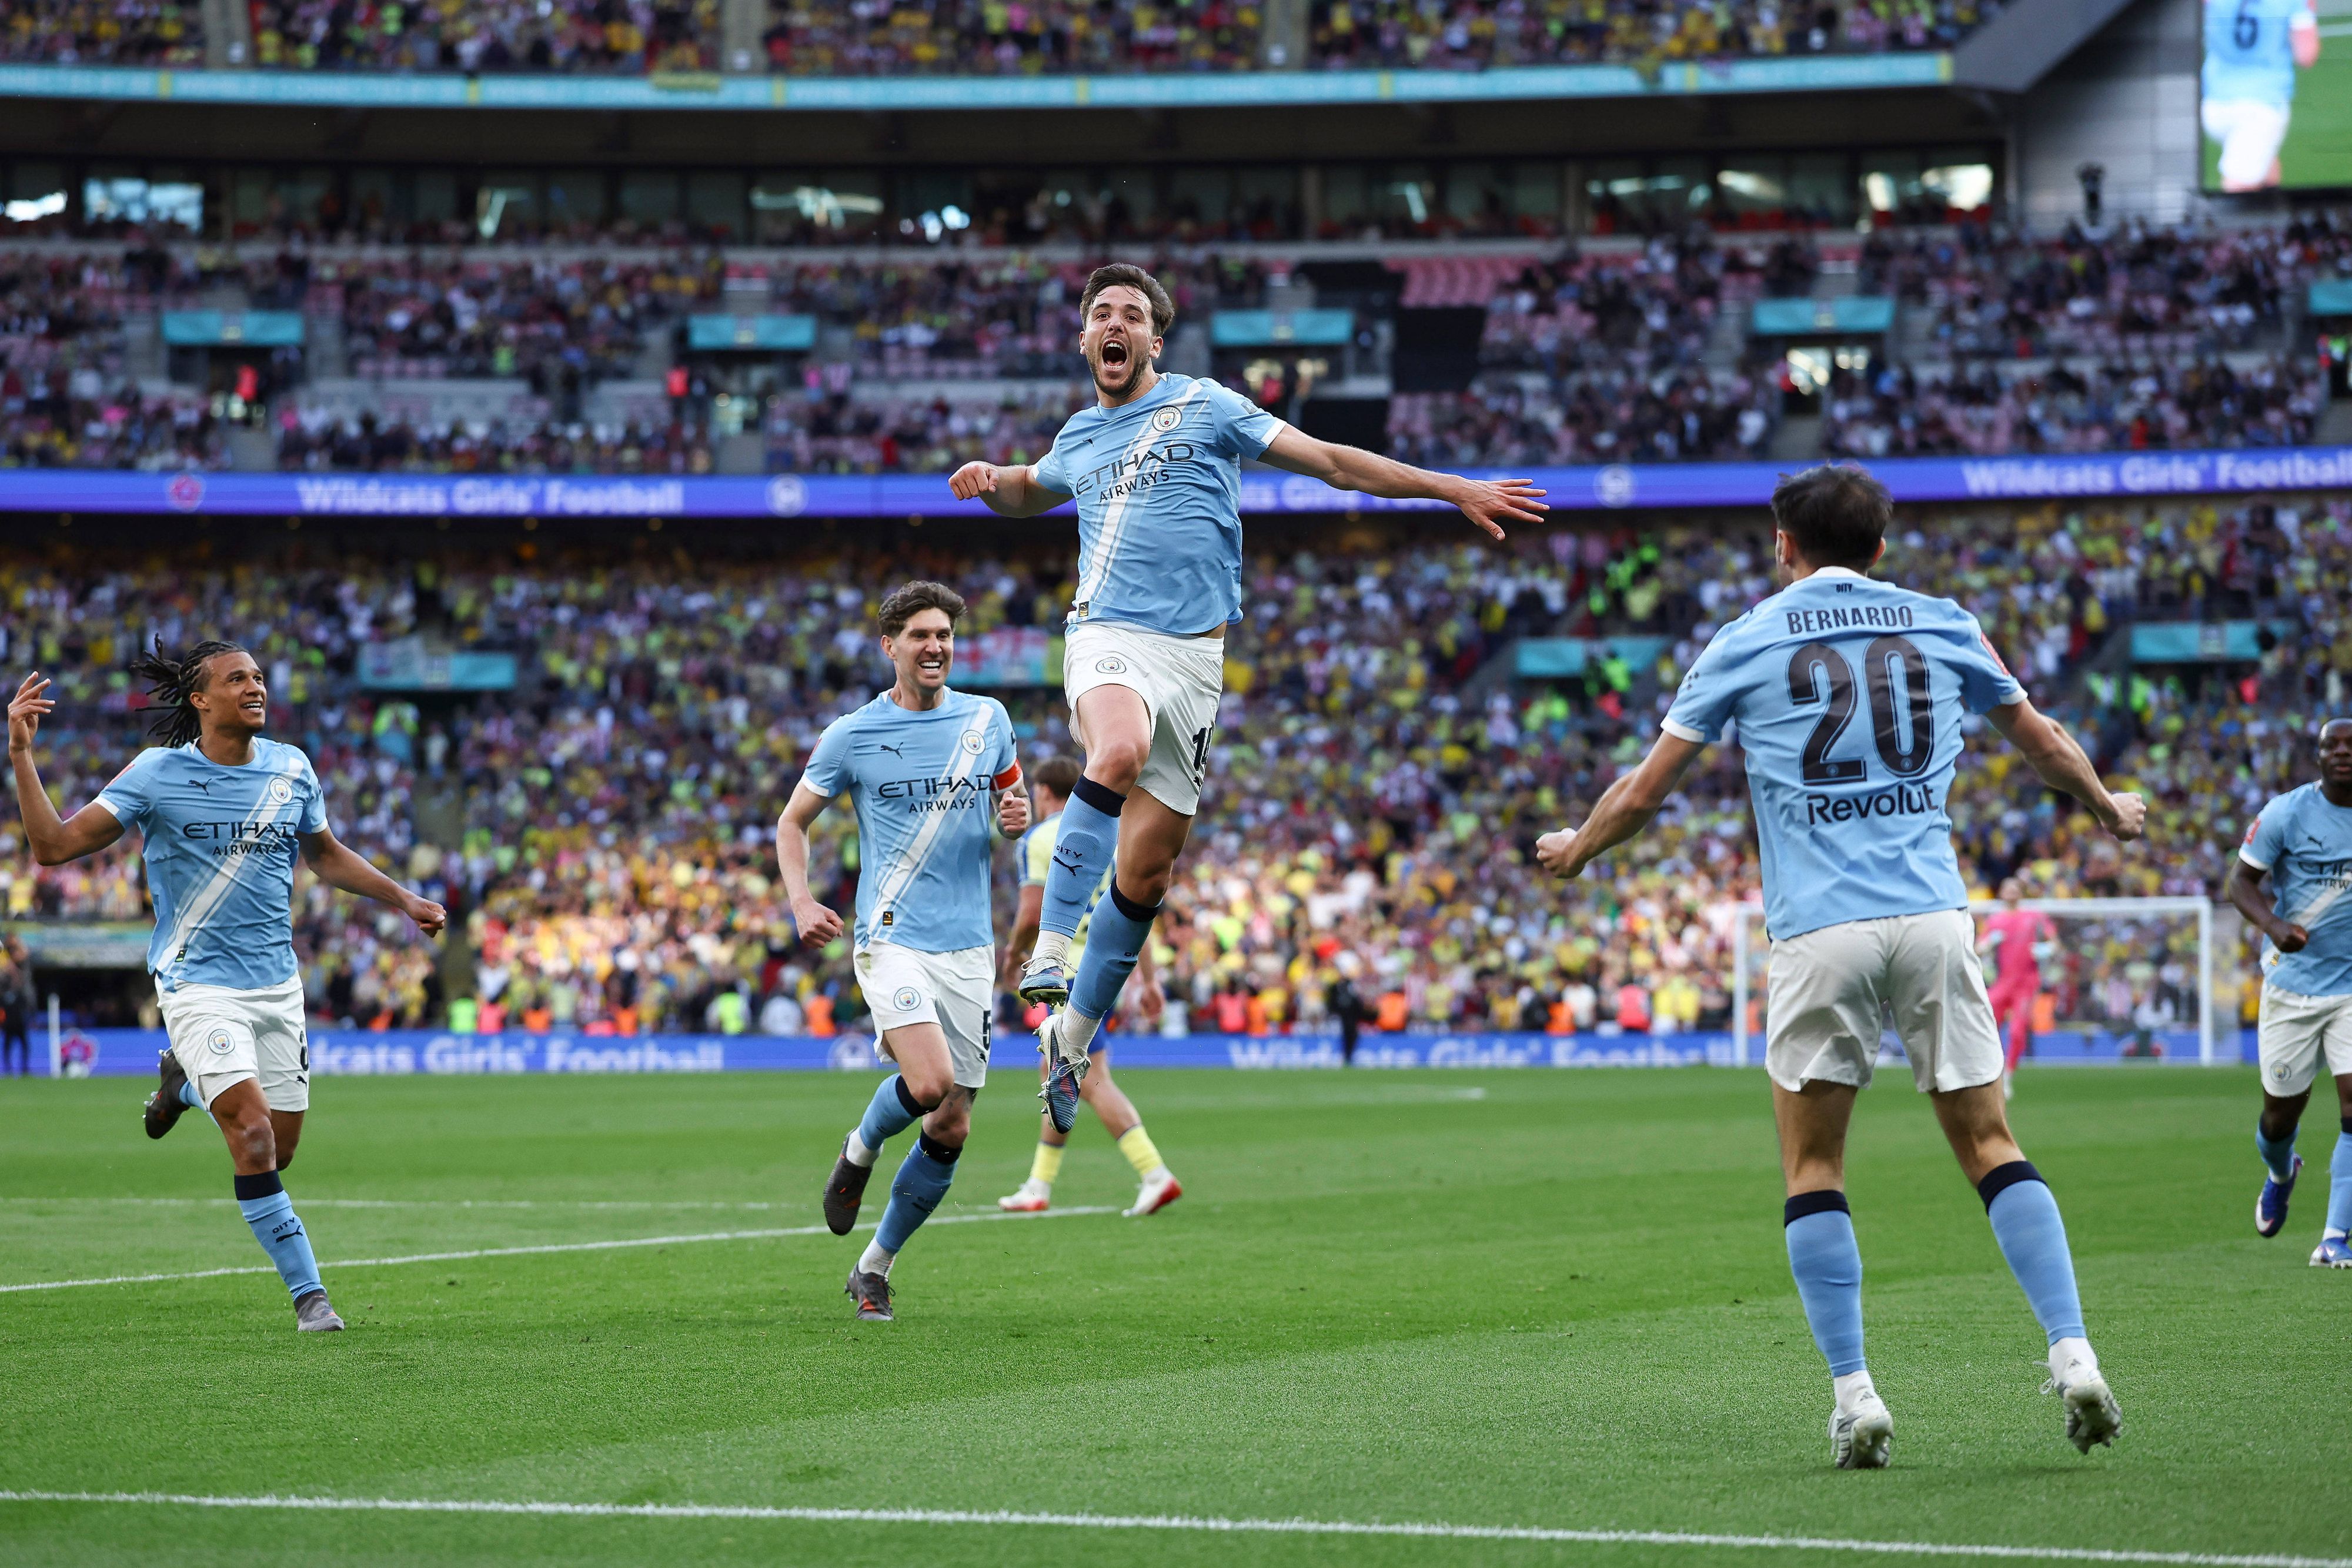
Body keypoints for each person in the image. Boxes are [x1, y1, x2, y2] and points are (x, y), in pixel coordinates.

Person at [1535, 465, 2147, 1467]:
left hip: (1820, 932)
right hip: (1934, 918)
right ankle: (2073, 1349)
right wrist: (2107, 807)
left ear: (1784, 544)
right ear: (1881, 545)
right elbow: (2043, 744)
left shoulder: (1744, 640)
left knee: (1815, 1165)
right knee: (1991, 1141)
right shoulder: (1943, 620)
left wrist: (1577, 851)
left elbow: (1646, 793)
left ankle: (1857, 1393)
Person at [947, 262, 1545, 1129]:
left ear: (1155, 339)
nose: (1115, 325)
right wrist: (990, 480)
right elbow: (1028, 491)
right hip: (1106, 632)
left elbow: (1336, 463)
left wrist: (1451, 487)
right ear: (1085, 340)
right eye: (1101, 314)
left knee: (1147, 873)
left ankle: (1069, 1040)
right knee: (1110, 752)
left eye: (1132, 315)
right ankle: (1050, 952)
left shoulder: (1208, 404)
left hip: (1194, 661)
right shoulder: (1078, 435)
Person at [6, 643, 446, 1332]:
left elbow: (326, 855)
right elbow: (54, 847)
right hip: (196, 983)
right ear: (200, 700)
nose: (255, 686)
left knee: (282, 1146)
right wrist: (23, 757)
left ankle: (181, 1086)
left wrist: (404, 899)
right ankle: (312, 1299)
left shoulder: (291, 768)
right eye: (236, 677)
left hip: (276, 988)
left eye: (259, 677)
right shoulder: (156, 774)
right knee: (253, 1138)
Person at [776, 582, 1030, 1323]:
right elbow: (792, 824)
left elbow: (1013, 812)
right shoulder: (852, 735)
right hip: (890, 938)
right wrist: (799, 901)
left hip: (968, 947)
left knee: (951, 1123)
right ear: (889, 647)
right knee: (927, 1083)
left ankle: (873, 1268)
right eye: (920, 635)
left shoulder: (990, 720)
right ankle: (859, 1148)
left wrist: (1016, 817)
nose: (935, 647)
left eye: (944, 634)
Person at [996, 755, 1181, 1219]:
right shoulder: (1113, 840)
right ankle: (1039, 1184)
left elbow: (1031, 911)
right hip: (1101, 971)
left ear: (1042, 793)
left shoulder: (1040, 839)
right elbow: (1132, 914)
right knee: (1056, 1076)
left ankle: (1154, 1173)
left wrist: (1013, 955)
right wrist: (1150, 979)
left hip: (1062, 974)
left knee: (1090, 1080)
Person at [2229, 716, 2352, 1267]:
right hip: (2293, 988)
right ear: (2319, 755)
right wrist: (2275, 927)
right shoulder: (2286, 812)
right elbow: (2239, 883)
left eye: (2351, 745)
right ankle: (2281, 1171)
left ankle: (2335, 1236)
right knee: (2279, 1116)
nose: (2342, 752)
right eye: (2333, 745)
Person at [2200, 0, 2320, 192]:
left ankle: (2275, 217)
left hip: (2214, 102)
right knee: (2239, 186)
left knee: (2267, 165)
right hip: (2261, 106)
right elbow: (2306, 56)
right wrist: (2309, 11)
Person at [1978, 877, 2056, 1098]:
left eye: (2015, 889)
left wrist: (2045, 949)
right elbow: (1978, 949)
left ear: (2021, 893)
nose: (2011, 893)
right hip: (2003, 982)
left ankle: (2008, 1074)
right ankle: (1990, 1072)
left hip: (2026, 983)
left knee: (2017, 1030)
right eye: (2007, 889)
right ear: (2001, 893)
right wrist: (1988, 943)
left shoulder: (2034, 916)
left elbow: (2056, 943)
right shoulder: (1995, 921)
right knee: (1987, 1026)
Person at [0, 944, 32, 1076]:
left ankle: (24, 1069)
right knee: (7, 1047)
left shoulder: (20, 991)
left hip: (19, 1023)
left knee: (24, 1046)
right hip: (8, 1024)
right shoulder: (3, 991)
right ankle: (8, 1069)